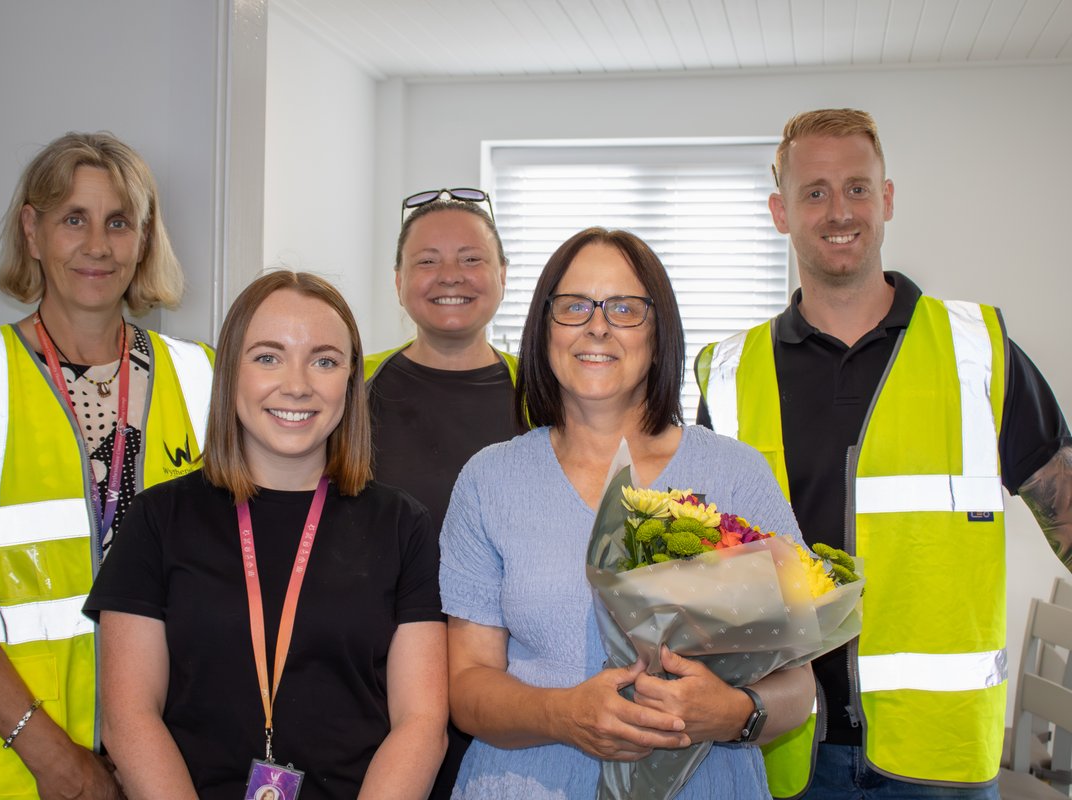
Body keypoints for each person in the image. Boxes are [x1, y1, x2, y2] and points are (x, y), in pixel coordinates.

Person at [695, 108, 1072, 799]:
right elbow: (701, 563)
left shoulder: (977, 352)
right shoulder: (728, 373)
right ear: (781, 211)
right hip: (782, 746)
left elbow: (1066, 509)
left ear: (887, 198)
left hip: (941, 757)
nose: (840, 212)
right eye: (815, 192)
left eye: (858, 188)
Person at [441, 227, 817, 800]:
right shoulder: (489, 481)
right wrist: (560, 714)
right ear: (544, 329)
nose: (597, 326)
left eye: (625, 308)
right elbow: (467, 687)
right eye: (573, 307)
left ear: (660, 330)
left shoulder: (735, 474)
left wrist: (736, 712)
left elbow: (799, 682)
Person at [0, 132, 214, 799]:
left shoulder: (202, 377)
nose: (97, 246)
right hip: (18, 765)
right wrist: (56, 760)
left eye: (118, 222)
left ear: (144, 238)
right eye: (74, 218)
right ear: (32, 231)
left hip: (175, 759)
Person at [87, 270, 448, 799]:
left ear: (350, 380)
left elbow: (421, 724)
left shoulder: (402, 526)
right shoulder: (157, 520)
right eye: (268, 357)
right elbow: (129, 719)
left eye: (324, 360)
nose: (297, 384)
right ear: (231, 371)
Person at [365, 188, 525, 798]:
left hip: (510, 691)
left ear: (503, 276)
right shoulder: (351, 387)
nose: (450, 276)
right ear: (399, 280)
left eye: (472, 258)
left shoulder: (545, 396)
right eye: (428, 260)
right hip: (376, 688)